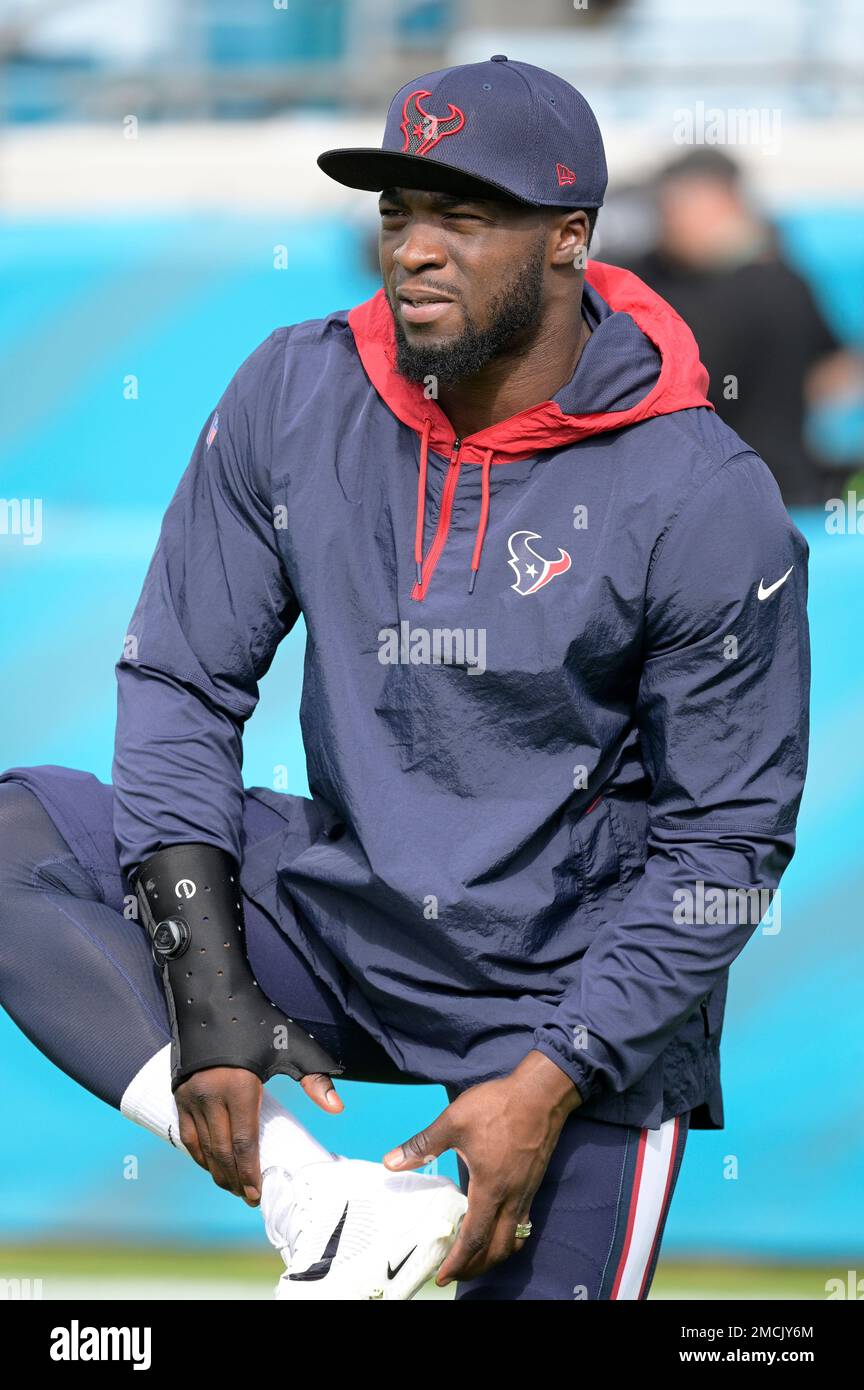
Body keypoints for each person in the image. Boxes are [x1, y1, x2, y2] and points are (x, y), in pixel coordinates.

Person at [0, 56, 810, 1301]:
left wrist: (552, 1079)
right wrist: (209, 996)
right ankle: (325, 1209)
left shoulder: (702, 492)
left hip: (570, 988)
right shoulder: (295, 385)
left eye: (464, 215)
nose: (415, 249)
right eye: (396, 213)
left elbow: (726, 844)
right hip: (353, 914)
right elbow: (179, 681)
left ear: (568, 240)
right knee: (15, 834)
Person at [625, 148, 851, 506]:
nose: (668, 214)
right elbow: (835, 374)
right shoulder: (780, 278)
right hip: (730, 489)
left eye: (682, 202)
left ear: (728, 205)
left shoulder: (773, 287)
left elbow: (835, 373)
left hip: (758, 489)